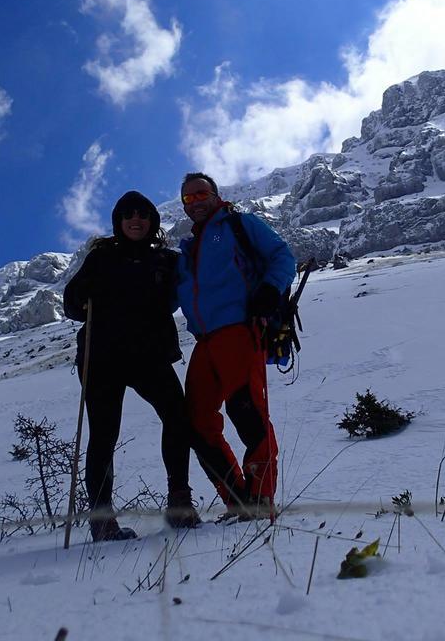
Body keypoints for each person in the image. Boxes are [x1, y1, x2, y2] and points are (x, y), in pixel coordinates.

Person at [63, 191, 202, 542]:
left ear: (152, 221)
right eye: (128, 215)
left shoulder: (167, 260)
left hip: (148, 354)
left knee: (177, 417)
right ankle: (101, 518)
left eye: (142, 214)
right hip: (102, 357)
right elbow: (72, 305)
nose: (136, 219)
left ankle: (179, 501)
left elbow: (186, 292)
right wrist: (82, 293)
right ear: (118, 222)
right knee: (104, 435)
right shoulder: (101, 257)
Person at [176, 172, 296, 520]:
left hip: (240, 331)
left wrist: (269, 292)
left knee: (246, 410)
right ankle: (237, 500)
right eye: (188, 198)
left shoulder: (239, 225)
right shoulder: (187, 250)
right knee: (196, 422)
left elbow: (282, 257)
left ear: (215, 194)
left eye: (201, 194)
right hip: (205, 340)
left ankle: (260, 499)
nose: (196, 202)